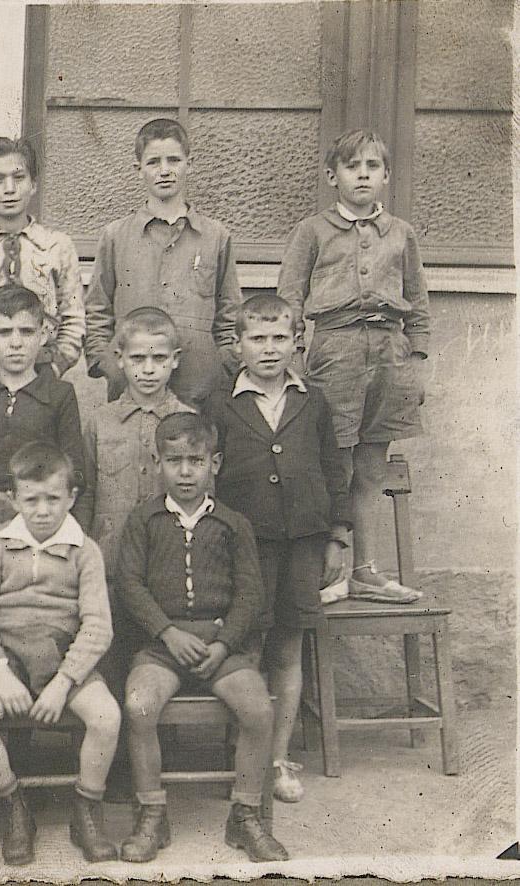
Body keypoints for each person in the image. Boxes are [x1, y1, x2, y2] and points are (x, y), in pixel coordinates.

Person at [114, 412, 287, 863]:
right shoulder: (144, 520)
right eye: (174, 461)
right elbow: (129, 585)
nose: (185, 472)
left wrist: (224, 643)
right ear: (158, 463)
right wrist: (167, 632)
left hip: (220, 645)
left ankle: (245, 815)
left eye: (196, 460)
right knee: (139, 706)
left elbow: (251, 593)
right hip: (162, 647)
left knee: (258, 710)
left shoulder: (233, 524)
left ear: (215, 463)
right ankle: (152, 814)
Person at [203, 293, 351, 804]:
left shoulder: (314, 401)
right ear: (238, 344)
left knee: (288, 647)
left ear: (296, 342)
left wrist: (336, 536)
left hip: (303, 545)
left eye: (279, 338)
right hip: (245, 548)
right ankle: (241, 757)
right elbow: (208, 478)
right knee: (245, 646)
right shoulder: (219, 403)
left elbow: (334, 469)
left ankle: (279, 758)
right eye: (258, 339)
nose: (269, 348)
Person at [276, 128, 430, 605]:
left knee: (370, 467)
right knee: (334, 464)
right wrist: (294, 355)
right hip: (335, 351)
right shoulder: (312, 231)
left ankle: (365, 570)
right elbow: (289, 297)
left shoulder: (401, 234)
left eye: (372, 167)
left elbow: (418, 303)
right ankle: (330, 570)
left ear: (386, 176)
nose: (362, 175)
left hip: (389, 356)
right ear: (332, 176)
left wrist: (416, 360)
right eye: (351, 166)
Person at [0, 441, 120, 865]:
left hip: (63, 657)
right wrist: (0, 673)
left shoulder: (85, 550)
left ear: (71, 497)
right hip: (8, 657)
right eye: (31, 500)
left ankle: (86, 810)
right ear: (13, 499)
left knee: (106, 716)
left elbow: (97, 626)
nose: (43, 510)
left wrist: (63, 683)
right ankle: (14, 806)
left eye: (53, 499)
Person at [83, 118, 243, 408]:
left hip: (199, 387)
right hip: (131, 385)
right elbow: (97, 307)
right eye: (154, 162)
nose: (165, 171)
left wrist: (224, 363)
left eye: (174, 160)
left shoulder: (215, 236)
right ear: (139, 169)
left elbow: (229, 312)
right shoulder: (116, 236)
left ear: (189, 165)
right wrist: (105, 362)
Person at [0, 284, 91, 552]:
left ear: (43, 334)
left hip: (41, 518)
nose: (16, 343)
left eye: (26, 332)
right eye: (4, 332)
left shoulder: (59, 394)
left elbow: (74, 468)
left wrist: (41, 518)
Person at [0, 136, 85, 376]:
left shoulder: (57, 246)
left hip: (42, 369)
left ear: (33, 184)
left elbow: (73, 318)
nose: (9, 189)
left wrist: (55, 367)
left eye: (19, 178)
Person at [83, 306, 193, 565]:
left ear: (175, 359)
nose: (148, 369)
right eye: (138, 358)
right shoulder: (100, 421)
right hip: (110, 556)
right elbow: (85, 492)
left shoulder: (189, 421)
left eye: (159, 358)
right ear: (120, 358)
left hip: (168, 557)